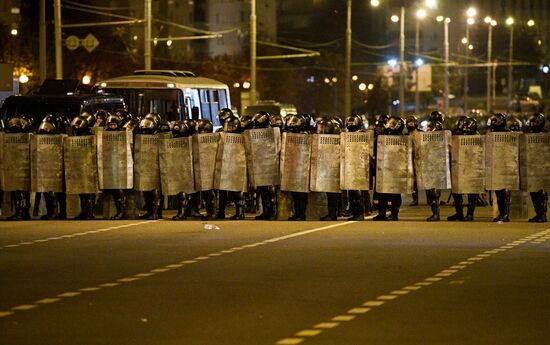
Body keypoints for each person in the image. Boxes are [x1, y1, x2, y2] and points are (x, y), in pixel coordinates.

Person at [448, 117, 480, 221]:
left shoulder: (478, 138)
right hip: (459, 165)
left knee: (472, 191)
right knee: (456, 191)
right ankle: (459, 213)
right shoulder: (458, 136)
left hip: (472, 166)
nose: (465, 129)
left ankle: (470, 214)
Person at [374, 116, 405, 221]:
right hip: (383, 166)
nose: (390, 126)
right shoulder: (383, 135)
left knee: (394, 193)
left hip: (395, 168)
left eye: (393, 124)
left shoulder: (401, 137)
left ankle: (394, 214)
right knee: (381, 192)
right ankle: (381, 214)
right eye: (389, 123)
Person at [217, 115, 247, 220]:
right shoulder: (221, 134)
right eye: (227, 126)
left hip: (238, 165)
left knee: (237, 191)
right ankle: (220, 212)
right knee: (222, 191)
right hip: (224, 165)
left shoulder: (243, 135)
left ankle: (240, 212)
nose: (229, 128)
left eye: (231, 126)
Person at [4, 116, 33, 220]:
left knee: (21, 190)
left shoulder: (27, 139)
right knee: (17, 190)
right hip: (16, 167)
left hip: (23, 167)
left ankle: (22, 211)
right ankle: (22, 211)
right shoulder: (11, 140)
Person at [70, 114, 97, 220]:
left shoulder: (90, 136)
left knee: (88, 191)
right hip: (79, 165)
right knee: (81, 191)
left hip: (89, 165)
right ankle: (84, 212)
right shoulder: (75, 137)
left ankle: (89, 213)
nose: (76, 128)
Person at [252, 111, 277, 220]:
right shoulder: (255, 131)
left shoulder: (271, 131)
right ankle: (266, 212)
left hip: (270, 163)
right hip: (260, 163)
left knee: (269, 191)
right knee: (262, 190)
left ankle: (272, 213)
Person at [102, 114, 127, 220]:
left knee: (118, 189)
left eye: (114, 125)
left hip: (121, 164)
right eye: (111, 125)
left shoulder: (123, 134)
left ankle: (121, 212)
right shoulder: (104, 134)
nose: (112, 127)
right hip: (108, 164)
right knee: (110, 189)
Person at [343, 114, 368, 220]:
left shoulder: (362, 134)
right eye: (349, 122)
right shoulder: (346, 135)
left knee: (357, 191)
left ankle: (360, 213)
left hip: (360, 165)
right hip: (350, 165)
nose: (350, 124)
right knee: (351, 191)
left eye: (352, 122)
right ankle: (354, 212)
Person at [285, 114, 309, 221]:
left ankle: (301, 214)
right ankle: (297, 213)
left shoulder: (306, 135)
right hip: (293, 166)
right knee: (294, 193)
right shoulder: (288, 136)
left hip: (303, 167)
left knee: (301, 194)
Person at [488, 113, 512, 222]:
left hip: (506, 165)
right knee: (498, 192)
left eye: (495, 121)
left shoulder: (509, 134)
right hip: (495, 165)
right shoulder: (491, 134)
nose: (493, 123)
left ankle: (505, 215)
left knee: (504, 192)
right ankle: (502, 214)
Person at [137, 116, 161, 220]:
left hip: (155, 166)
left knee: (154, 191)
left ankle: (155, 212)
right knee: (145, 191)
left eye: (147, 130)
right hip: (144, 165)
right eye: (143, 130)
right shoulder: (139, 138)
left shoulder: (158, 138)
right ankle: (149, 211)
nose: (145, 132)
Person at [527, 112, 548, 223]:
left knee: (542, 191)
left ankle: (543, 215)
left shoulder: (546, 134)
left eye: (534, 121)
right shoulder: (529, 135)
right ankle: (538, 213)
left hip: (543, 167)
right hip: (533, 167)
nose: (532, 124)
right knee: (534, 191)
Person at [196, 119, 218, 220]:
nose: (202, 132)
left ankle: (213, 213)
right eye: (200, 130)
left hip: (212, 168)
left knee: (210, 192)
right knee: (205, 193)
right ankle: (210, 212)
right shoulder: (197, 139)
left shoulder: (214, 139)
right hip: (202, 169)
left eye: (204, 130)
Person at [424, 120, 444, 221]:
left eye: (430, 128)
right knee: (430, 194)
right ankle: (435, 213)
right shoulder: (426, 139)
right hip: (428, 169)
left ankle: (436, 214)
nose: (427, 130)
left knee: (435, 194)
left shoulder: (441, 141)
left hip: (437, 169)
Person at [406, 115, 419, 206]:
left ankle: (431, 199)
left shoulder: (421, 134)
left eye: (412, 123)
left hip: (420, 159)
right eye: (408, 123)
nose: (410, 125)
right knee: (413, 180)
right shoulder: (406, 136)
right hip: (410, 159)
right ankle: (415, 199)